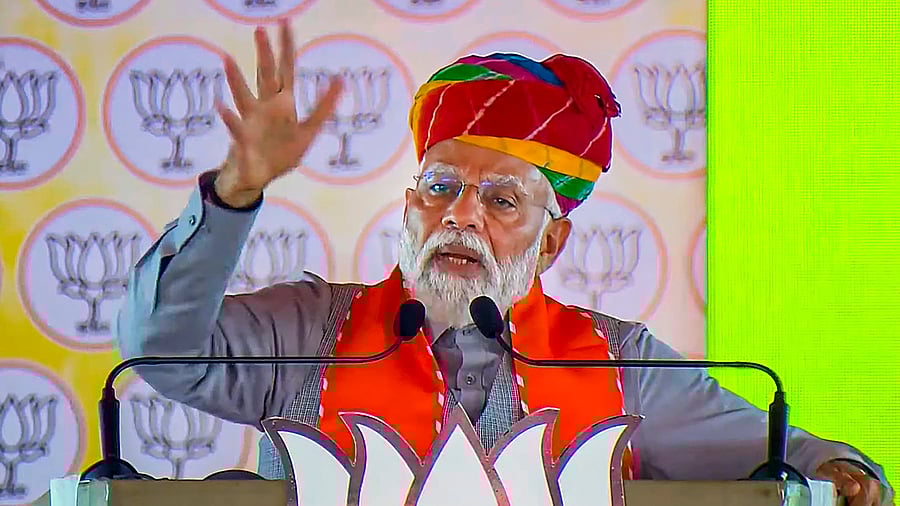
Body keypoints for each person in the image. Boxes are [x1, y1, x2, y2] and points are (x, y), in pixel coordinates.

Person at [116, 20, 892, 505]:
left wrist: (841, 474)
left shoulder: (617, 364)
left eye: (501, 201)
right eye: (441, 188)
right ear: (409, 206)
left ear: (550, 242)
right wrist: (235, 190)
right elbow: (158, 350)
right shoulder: (311, 330)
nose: (460, 215)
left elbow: (786, 458)